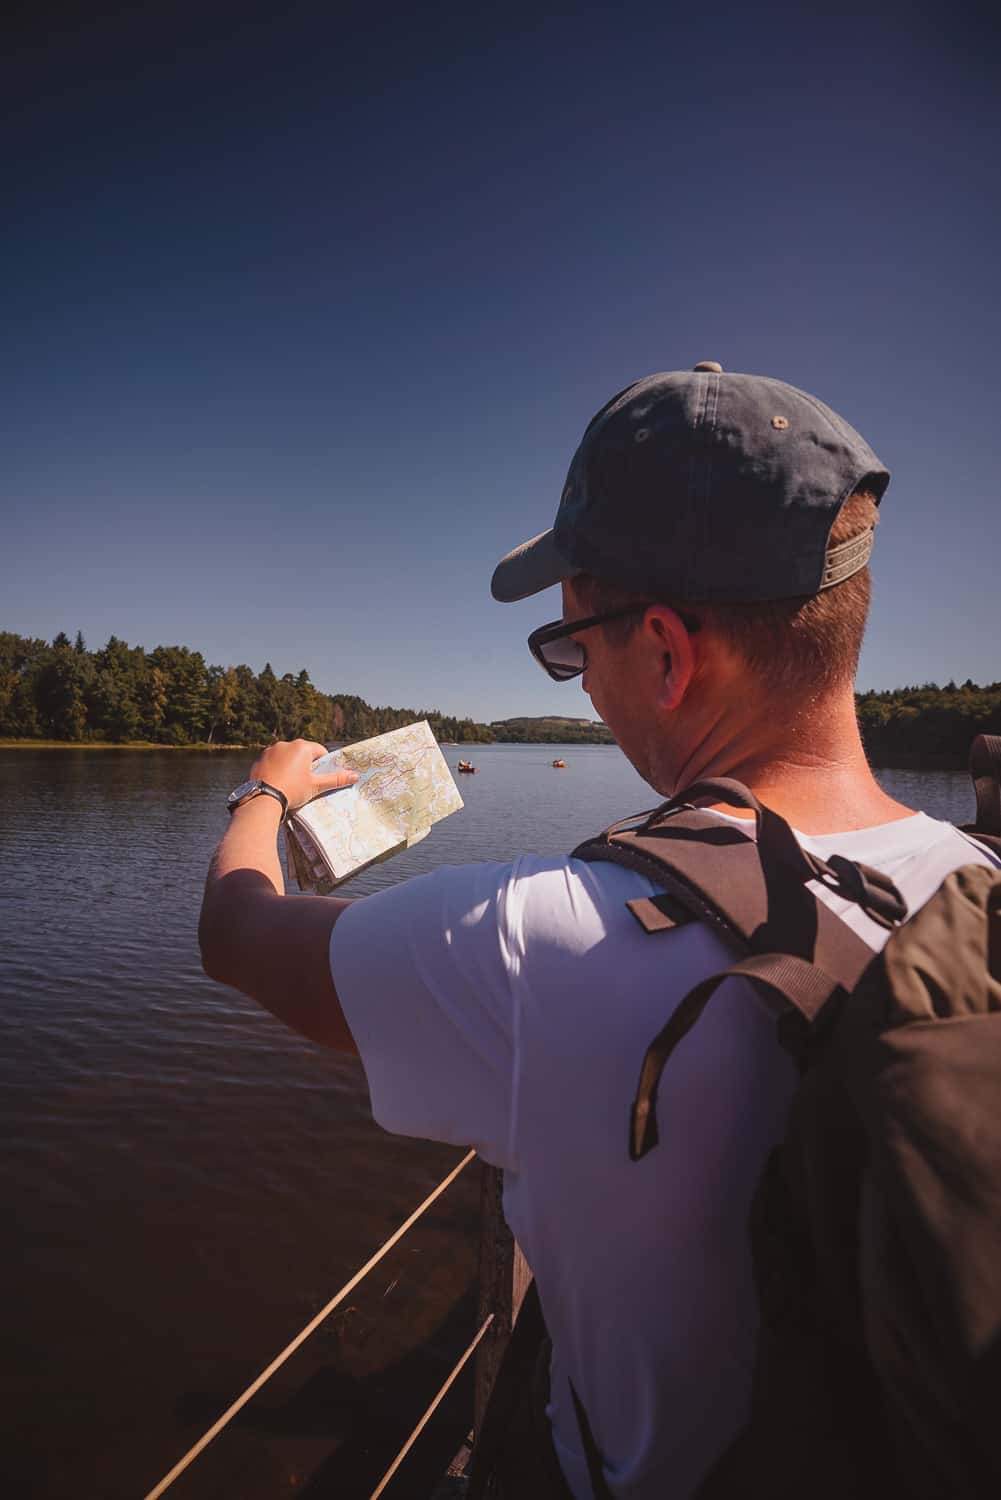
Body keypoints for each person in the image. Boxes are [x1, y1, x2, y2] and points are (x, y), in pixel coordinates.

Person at [199, 362, 999, 1499]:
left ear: (668, 653)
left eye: (571, 647)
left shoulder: (544, 941)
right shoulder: (976, 881)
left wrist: (266, 797)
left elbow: (233, 933)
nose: (578, 692)